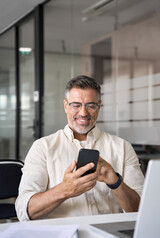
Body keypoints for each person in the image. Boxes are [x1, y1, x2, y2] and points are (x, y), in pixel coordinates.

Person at [16, 75, 144, 221]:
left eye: (91, 105)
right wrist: (65, 190)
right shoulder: (42, 147)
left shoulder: (122, 147)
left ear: (99, 106)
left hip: (109, 234)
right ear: (65, 106)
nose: (83, 113)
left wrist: (115, 182)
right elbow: (24, 212)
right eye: (76, 105)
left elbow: (142, 209)